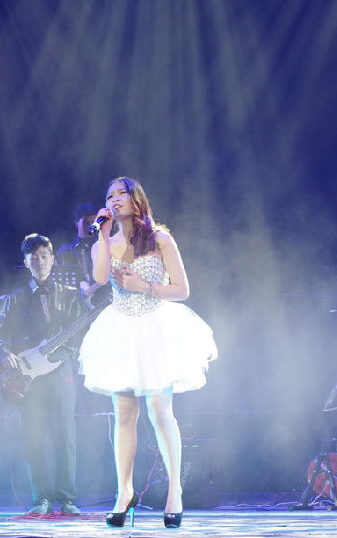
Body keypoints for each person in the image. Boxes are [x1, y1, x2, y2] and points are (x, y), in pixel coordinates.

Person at [77, 176, 218, 529]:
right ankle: (124, 492)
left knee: (159, 409)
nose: (114, 199)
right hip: (121, 330)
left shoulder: (160, 238)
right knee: (123, 414)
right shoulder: (104, 243)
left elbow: (182, 290)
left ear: (135, 198)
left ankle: (174, 490)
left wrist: (144, 287)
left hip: (156, 326)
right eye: (109, 195)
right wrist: (102, 235)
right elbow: (100, 277)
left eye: (120, 193)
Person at [0, 233, 86, 516]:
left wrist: (63, 350)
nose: (40, 262)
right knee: (32, 435)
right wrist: (3, 352)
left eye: (44, 256)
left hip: (61, 370)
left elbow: (81, 333)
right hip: (27, 375)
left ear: (53, 260)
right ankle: (41, 498)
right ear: (25, 262)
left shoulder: (70, 294)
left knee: (65, 435)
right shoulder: (15, 299)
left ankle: (67, 499)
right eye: (34, 257)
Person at [55, 202, 110, 309]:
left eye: (92, 222)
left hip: (103, 302)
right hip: (74, 307)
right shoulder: (64, 252)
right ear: (76, 223)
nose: (90, 226)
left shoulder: (104, 247)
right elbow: (55, 280)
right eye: (85, 222)